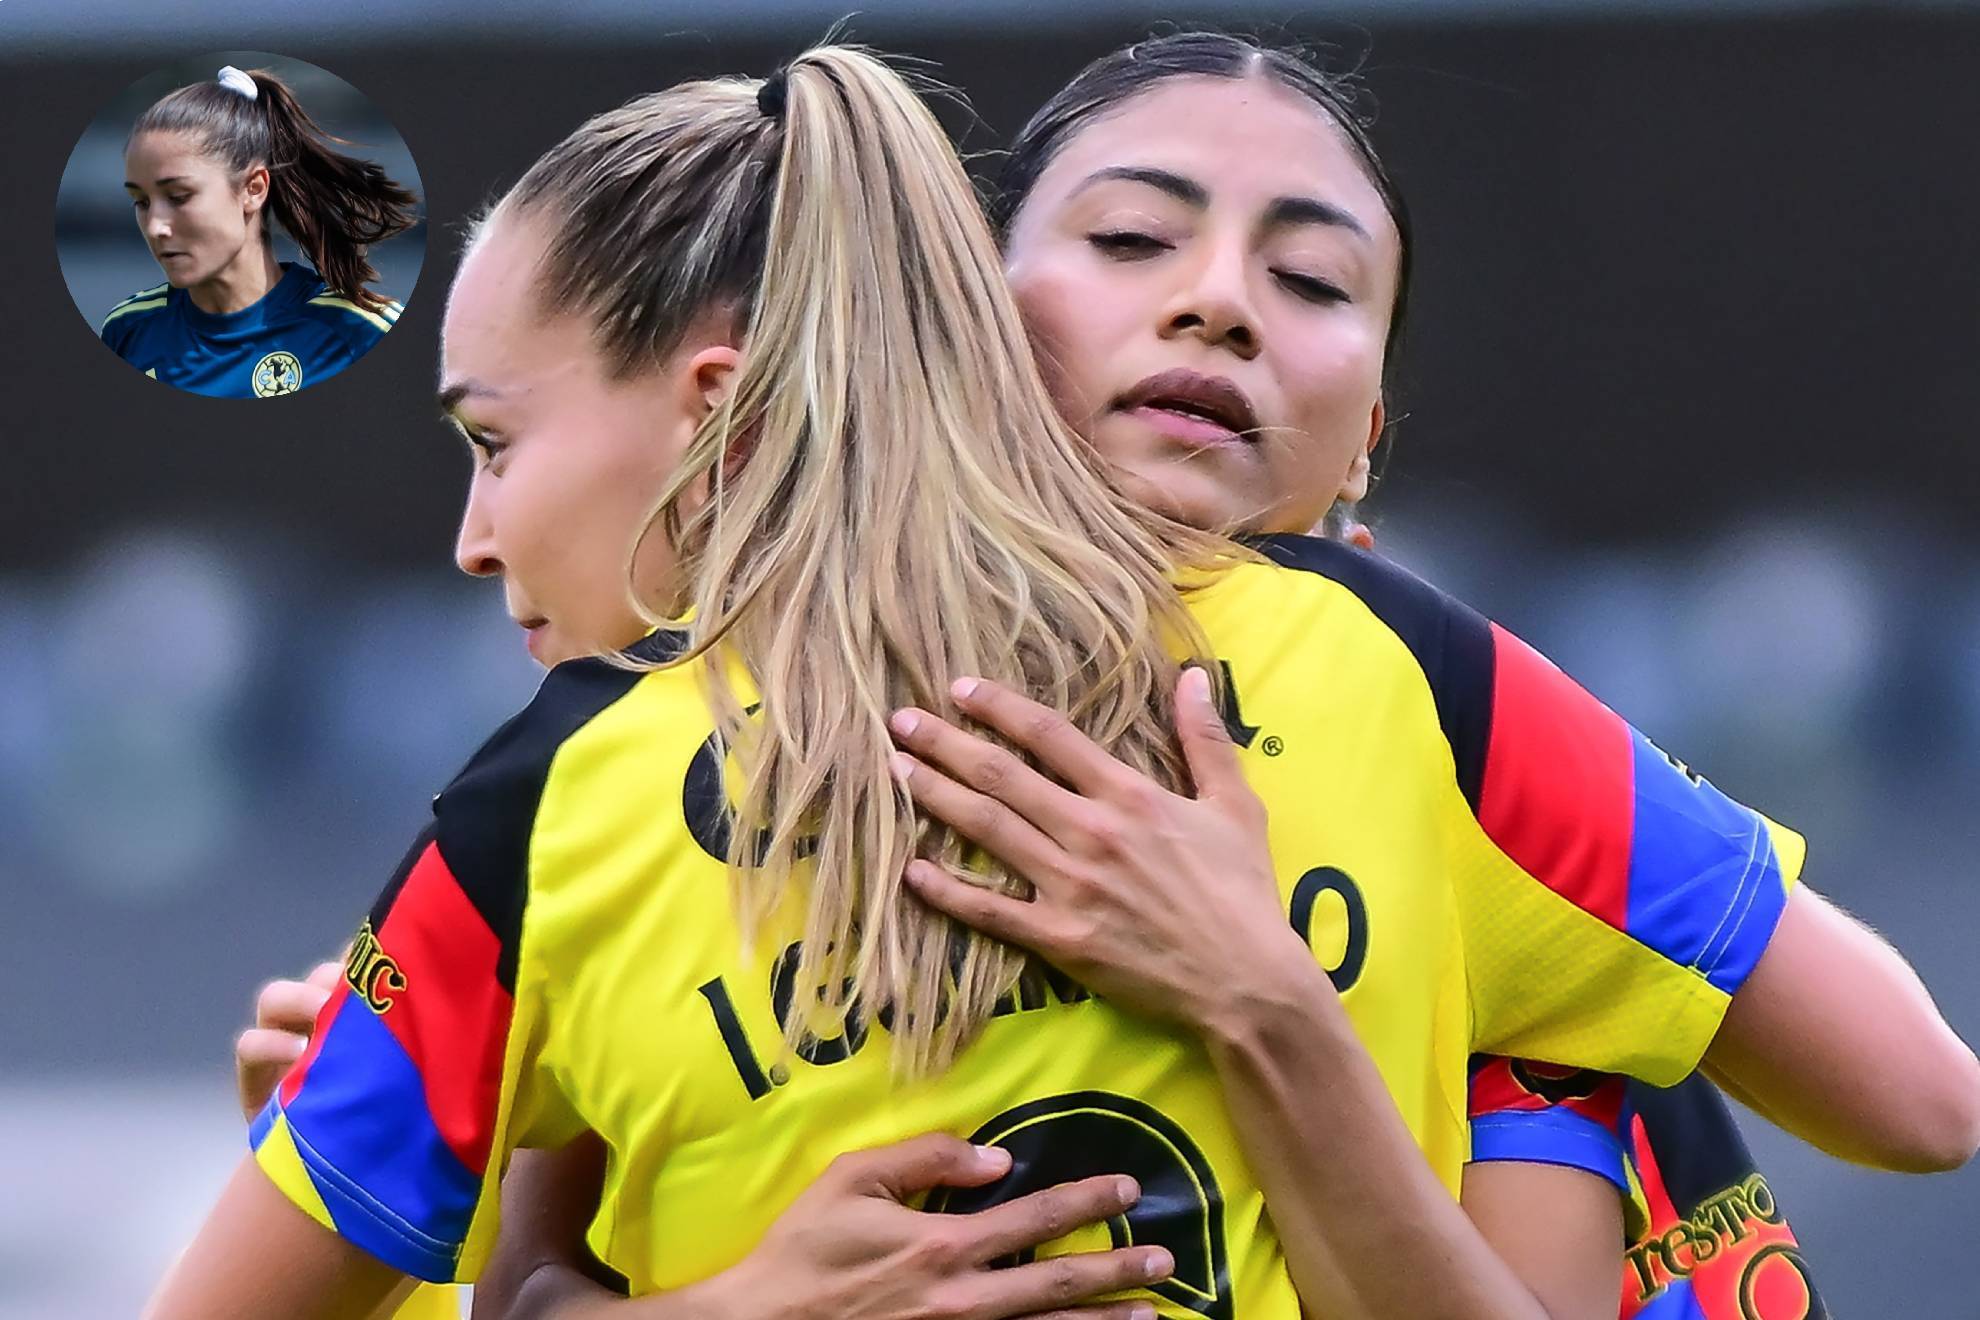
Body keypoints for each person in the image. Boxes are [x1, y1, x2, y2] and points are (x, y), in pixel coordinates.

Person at [154, 43, 1970, 1320]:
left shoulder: (1432, 723)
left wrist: (1272, 1003)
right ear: (960, 317)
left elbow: (1922, 1103)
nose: (1218, 303)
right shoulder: (574, 792)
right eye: (1127, 240)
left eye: (1315, 276)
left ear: (1369, 443)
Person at [103, 64, 418, 398]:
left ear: (253, 189)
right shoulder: (127, 329)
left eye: (179, 197)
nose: (155, 226)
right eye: (140, 202)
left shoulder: (359, 329)